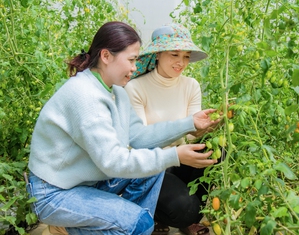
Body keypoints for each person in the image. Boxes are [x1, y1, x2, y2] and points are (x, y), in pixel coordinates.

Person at [25, 21, 219, 235]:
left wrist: (190, 123)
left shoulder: (116, 92)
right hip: (55, 192)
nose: (135, 67)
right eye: (131, 60)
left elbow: (138, 137)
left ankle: (108, 223)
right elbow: (112, 161)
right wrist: (174, 155)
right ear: (106, 56)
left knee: (149, 180)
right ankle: (83, 225)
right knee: (140, 223)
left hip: (85, 182)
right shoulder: (85, 96)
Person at [124, 23, 215, 235]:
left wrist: (207, 127)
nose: (181, 62)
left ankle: (189, 215)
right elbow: (140, 141)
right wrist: (176, 154)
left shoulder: (190, 85)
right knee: (183, 209)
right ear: (157, 55)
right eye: (174, 54)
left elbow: (193, 134)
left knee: (217, 152)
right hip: (152, 167)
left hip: (181, 158)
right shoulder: (136, 88)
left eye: (186, 56)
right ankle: (156, 214)